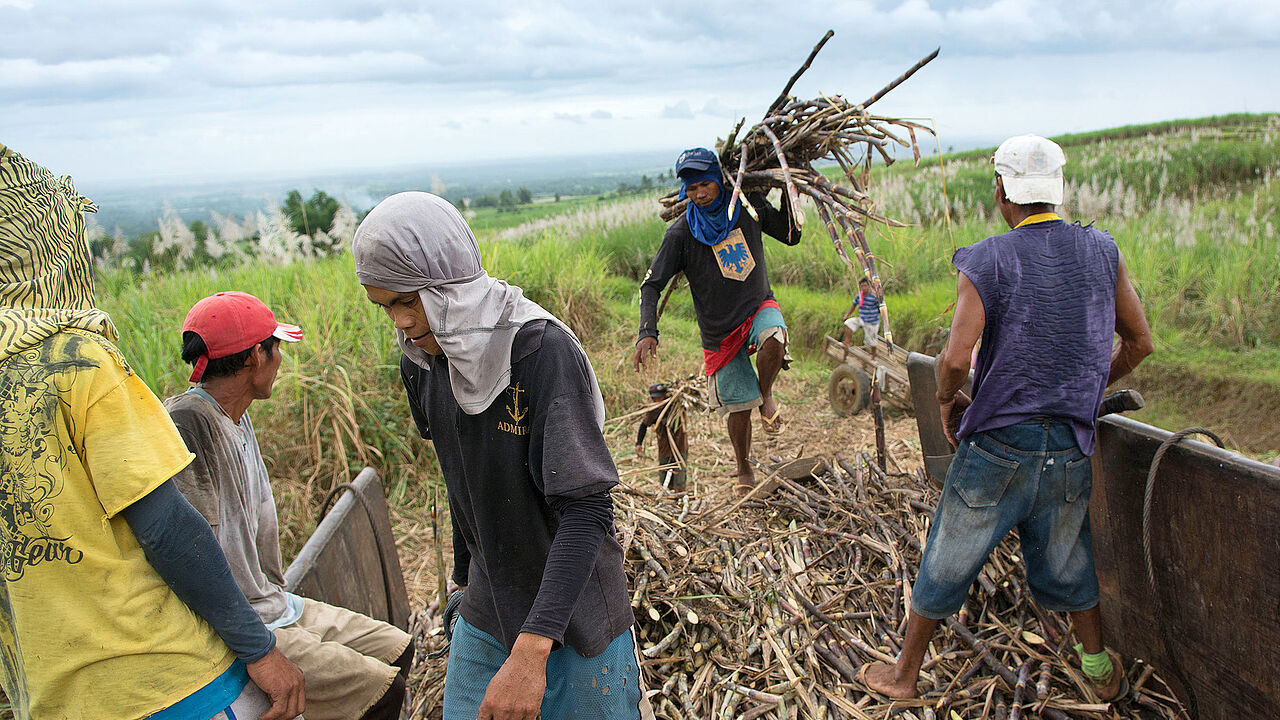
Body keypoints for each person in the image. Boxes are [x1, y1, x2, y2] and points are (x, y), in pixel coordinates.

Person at [0, 143, 304, 720]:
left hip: (49, 695)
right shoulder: (74, 359)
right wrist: (261, 650)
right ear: (47, 248)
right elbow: (165, 527)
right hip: (161, 678)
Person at [859, 135, 1154, 702]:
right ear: (1058, 191)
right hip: (1070, 444)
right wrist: (1083, 389)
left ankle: (903, 675)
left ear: (1002, 192)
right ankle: (1098, 670)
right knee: (1070, 558)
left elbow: (954, 359)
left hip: (999, 449)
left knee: (949, 552)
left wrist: (948, 400)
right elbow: (1139, 342)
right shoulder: (1101, 251)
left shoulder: (988, 258)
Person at [351, 192, 651, 720]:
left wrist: (532, 653)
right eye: (385, 307)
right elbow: (462, 475)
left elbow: (587, 510)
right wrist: (464, 580)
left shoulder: (539, 351)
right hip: (490, 605)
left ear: (446, 287)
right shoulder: (423, 361)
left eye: (406, 301)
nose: (398, 322)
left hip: (574, 617)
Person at [164, 291, 414, 720]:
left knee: (398, 651)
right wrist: (254, 648)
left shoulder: (234, 416)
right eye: (276, 347)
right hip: (244, 624)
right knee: (382, 693)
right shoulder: (189, 424)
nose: (281, 359)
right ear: (254, 357)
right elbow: (188, 552)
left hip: (274, 603)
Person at [633, 147, 801, 495]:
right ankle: (743, 466)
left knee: (774, 336)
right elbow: (651, 285)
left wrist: (787, 188)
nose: (699, 194)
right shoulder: (681, 234)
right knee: (738, 409)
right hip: (719, 332)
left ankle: (766, 395)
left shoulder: (748, 208)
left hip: (757, 306)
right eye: (692, 189)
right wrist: (646, 331)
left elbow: (790, 235)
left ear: (720, 181)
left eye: (705, 184)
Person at [635, 383, 689, 491]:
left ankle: (680, 497)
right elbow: (643, 425)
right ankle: (667, 497)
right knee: (665, 476)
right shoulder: (653, 411)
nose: (658, 400)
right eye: (655, 398)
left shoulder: (676, 405)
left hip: (679, 446)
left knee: (680, 476)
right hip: (664, 448)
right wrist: (639, 443)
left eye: (660, 397)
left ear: (665, 395)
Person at [841, 277, 889, 359]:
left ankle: (873, 357)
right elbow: (853, 305)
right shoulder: (859, 296)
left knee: (871, 341)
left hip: (872, 322)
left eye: (865, 286)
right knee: (848, 323)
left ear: (869, 287)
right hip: (862, 319)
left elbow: (880, 308)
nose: (864, 288)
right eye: (862, 286)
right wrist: (847, 315)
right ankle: (847, 342)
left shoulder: (874, 297)